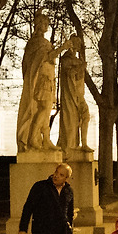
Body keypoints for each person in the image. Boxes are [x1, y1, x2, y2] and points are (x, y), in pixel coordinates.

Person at [16, 15, 72, 152]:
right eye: (44, 22)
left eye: (47, 22)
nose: (47, 25)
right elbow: (46, 57)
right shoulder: (37, 42)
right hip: (42, 80)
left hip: (48, 79)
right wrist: (63, 47)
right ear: (38, 24)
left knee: (46, 110)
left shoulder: (44, 42)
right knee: (44, 108)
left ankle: (45, 139)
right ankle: (33, 138)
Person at [57, 36, 90, 153]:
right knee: (71, 121)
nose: (79, 45)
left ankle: (84, 143)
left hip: (79, 94)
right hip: (71, 95)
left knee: (86, 116)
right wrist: (80, 67)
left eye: (79, 43)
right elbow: (69, 74)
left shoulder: (76, 59)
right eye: (77, 42)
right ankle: (70, 146)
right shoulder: (66, 59)